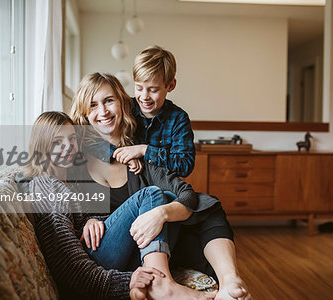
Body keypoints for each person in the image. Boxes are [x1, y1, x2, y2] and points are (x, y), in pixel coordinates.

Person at [70, 73, 252, 300]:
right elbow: (64, 206)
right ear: (84, 114)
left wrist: (161, 214)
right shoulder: (76, 157)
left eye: (109, 101)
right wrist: (87, 218)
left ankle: (229, 284)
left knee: (206, 205)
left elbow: (187, 194)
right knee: (155, 193)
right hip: (102, 254)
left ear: (123, 104)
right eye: (93, 105)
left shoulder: (140, 160)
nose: (103, 111)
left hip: (140, 256)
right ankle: (163, 285)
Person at [16, 111, 215, 300]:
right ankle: (163, 286)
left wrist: (93, 219)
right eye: (57, 142)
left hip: (96, 256)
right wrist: (127, 281)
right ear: (41, 146)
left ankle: (151, 285)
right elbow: (68, 265)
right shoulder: (46, 187)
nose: (68, 147)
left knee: (167, 197)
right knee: (151, 194)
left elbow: (77, 228)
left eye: (72, 139)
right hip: (86, 276)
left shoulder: (67, 180)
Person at [112, 45, 195, 178]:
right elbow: (95, 139)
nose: (144, 96)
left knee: (204, 199)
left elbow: (185, 165)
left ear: (170, 86)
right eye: (139, 88)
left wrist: (143, 150)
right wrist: (124, 156)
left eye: (153, 90)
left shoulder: (178, 118)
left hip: (164, 187)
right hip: (127, 185)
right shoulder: (124, 108)